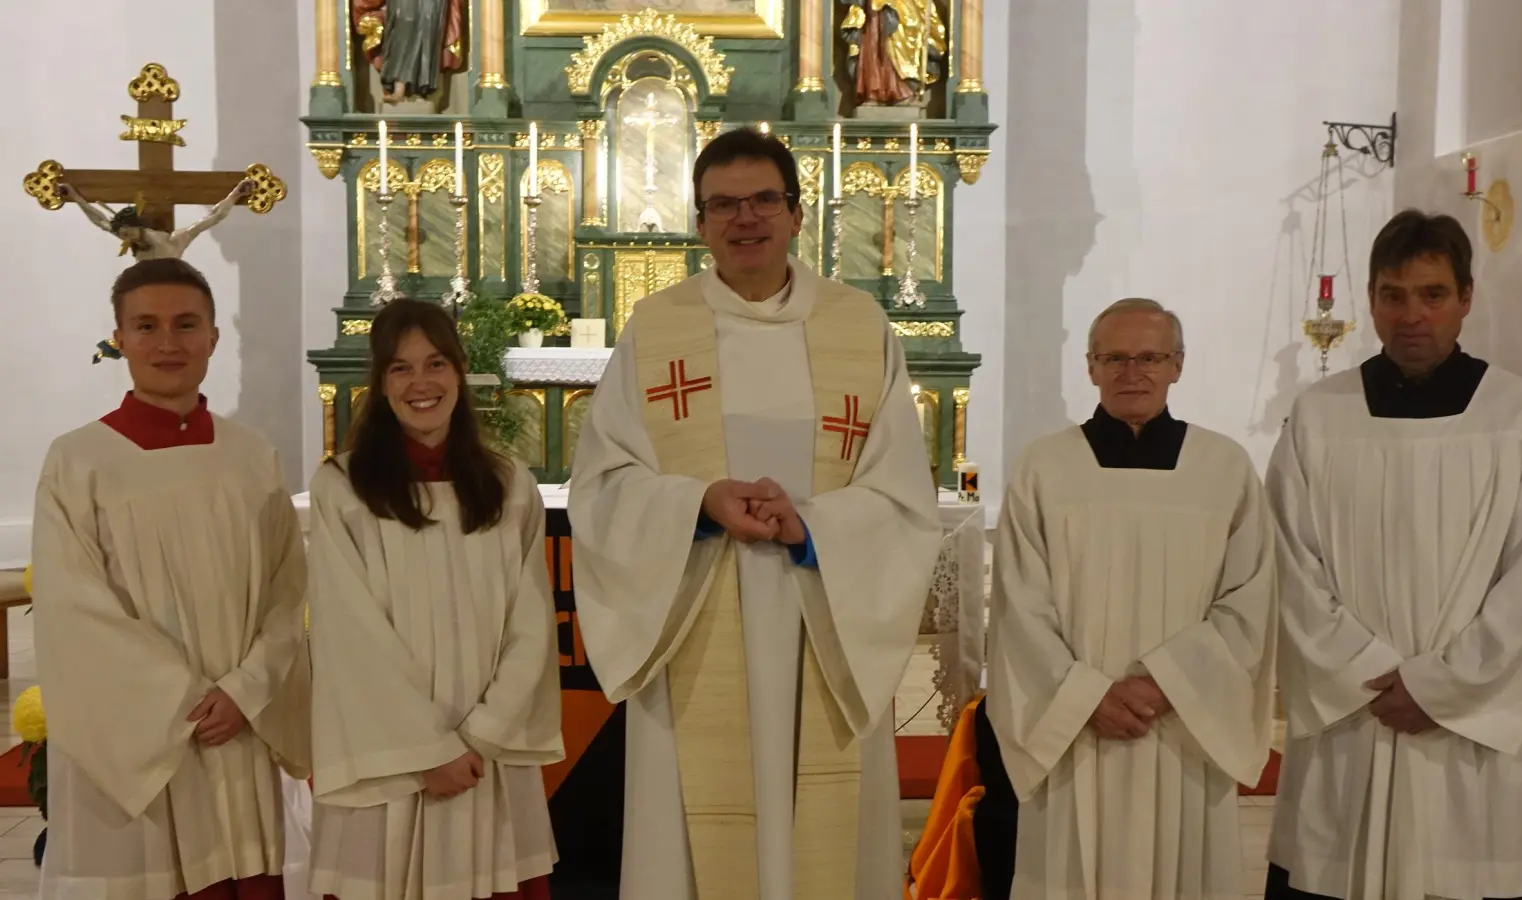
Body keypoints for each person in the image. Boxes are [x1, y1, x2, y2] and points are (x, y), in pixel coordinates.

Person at [568, 127, 943, 900]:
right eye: (724, 205)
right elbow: (603, 486)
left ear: (797, 214)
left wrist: (815, 529)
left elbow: (902, 493)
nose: (746, 219)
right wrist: (697, 504)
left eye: (764, 199)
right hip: (697, 611)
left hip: (822, 617)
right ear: (699, 222)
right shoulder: (657, 330)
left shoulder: (859, 327)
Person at [1264, 210, 1522, 900]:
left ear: (1466, 297)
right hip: (1357, 716)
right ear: (1371, 301)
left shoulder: (1520, 416)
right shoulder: (1320, 415)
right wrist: (1370, 672)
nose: (1413, 315)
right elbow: (1289, 564)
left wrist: (1439, 687)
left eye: (1433, 294)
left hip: (1467, 734)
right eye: (1393, 295)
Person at [31, 257, 310, 900]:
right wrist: (181, 700)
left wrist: (245, 690)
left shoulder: (252, 457)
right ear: (119, 339)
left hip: (238, 725)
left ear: (214, 336)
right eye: (147, 326)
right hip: (147, 741)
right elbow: (75, 611)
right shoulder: (78, 462)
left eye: (186, 324)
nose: (168, 343)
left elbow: (287, 590)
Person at [985, 297, 1278, 899]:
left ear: (1177, 365)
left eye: (1149, 357)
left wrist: (1165, 682)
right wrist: (1086, 696)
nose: (1132, 372)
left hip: (1183, 725)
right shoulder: (1046, 466)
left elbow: (1250, 598)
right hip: (1076, 730)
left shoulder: (1223, 467)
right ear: (1090, 366)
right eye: (1114, 358)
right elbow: (1020, 605)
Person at [307, 297, 563, 900]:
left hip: (486, 760)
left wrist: (479, 738)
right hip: (390, 756)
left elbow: (531, 623)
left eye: (435, 363)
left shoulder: (509, 486)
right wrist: (428, 751)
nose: (421, 383)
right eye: (400, 368)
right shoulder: (343, 488)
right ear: (380, 382)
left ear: (459, 369)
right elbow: (349, 635)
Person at [60, 179, 254, 260]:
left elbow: (214, 216)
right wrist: (76, 197)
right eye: (123, 236)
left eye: (128, 234)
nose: (127, 240)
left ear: (139, 226)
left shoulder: (176, 240)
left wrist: (236, 193)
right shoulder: (131, 238)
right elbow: (99, 220)